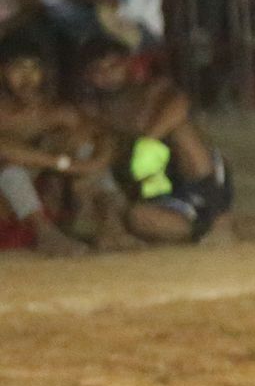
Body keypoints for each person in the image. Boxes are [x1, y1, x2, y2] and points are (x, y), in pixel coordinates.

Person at [78, 40, 241, 245]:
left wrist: (148, 141)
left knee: (181, 131)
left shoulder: (153, 89)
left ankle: (220, 218)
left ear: (128, 64)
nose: (107, 75)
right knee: (138, 217)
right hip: (155, 191)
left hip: (195, 178)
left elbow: (180, 106)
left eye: (113, 66)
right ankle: (203, 231)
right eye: (98, 71)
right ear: (88, 76)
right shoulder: (94, 112)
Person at [0, 42, 124, 256]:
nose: (27, 76)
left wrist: (95, 163)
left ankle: (112, 226)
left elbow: (103, 137)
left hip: (49, 194)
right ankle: (46, 235)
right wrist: (66, 164)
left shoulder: (57, 112)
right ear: (2, 71)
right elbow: (6, 150)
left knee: (85, 146)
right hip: (10, 200)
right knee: (11, 169)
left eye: (34, 67)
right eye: (18, 67)